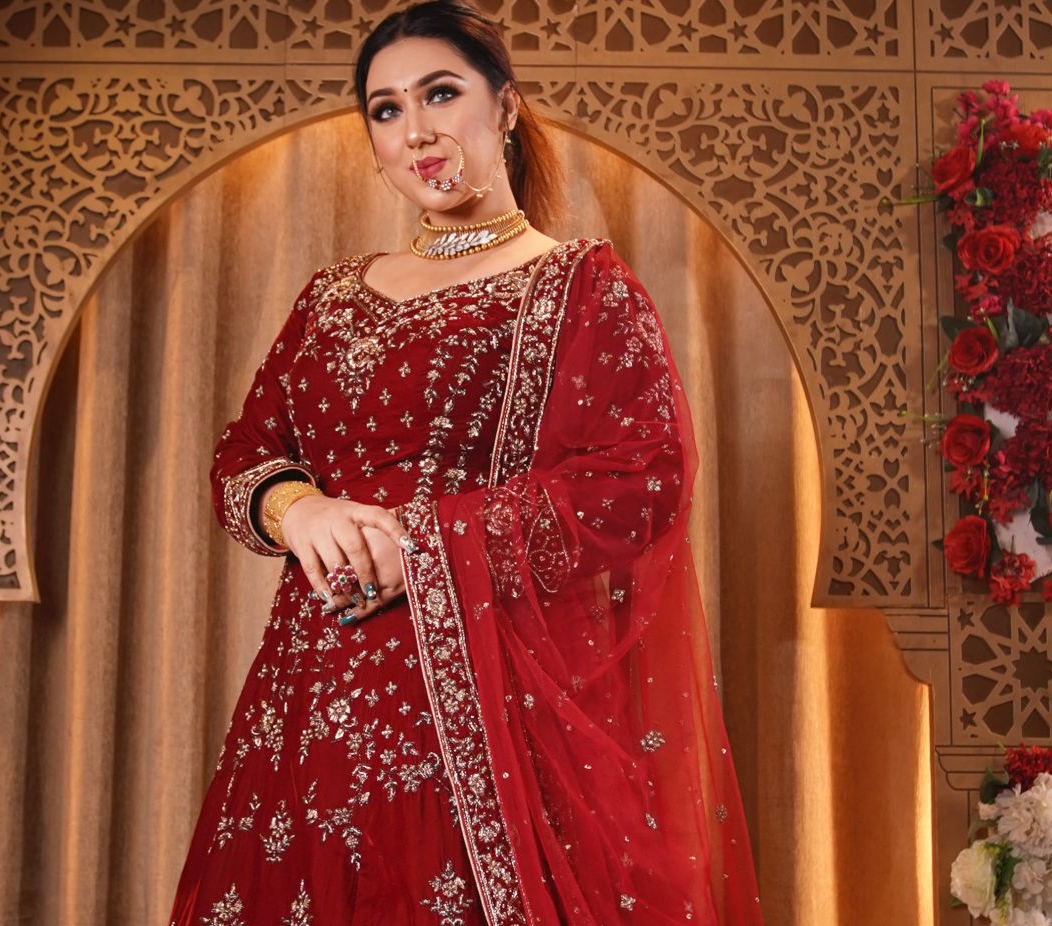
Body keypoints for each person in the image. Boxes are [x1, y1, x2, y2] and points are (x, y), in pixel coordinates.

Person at [167, 2, 762, 923]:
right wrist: (304, 512)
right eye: (387, 109)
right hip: (309, 702)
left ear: (507, 107)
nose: (417, 131)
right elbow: (245, 457)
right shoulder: (328, 298)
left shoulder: (578, 285)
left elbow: (642, 476)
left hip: (488, 713)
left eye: (441, 94)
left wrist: (426, 544)